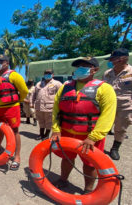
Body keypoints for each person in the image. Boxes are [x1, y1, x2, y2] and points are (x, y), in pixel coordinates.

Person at [50, 57, 116, 194]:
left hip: (89, 136)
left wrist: (93, 137)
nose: (80, 68)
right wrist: (56, 130)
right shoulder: (65, 87)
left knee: (90, 163)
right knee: (67, 158)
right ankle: (63, 179)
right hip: (66, 133)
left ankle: (88, 189)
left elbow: (107, 116)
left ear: (95, 70)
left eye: (85, 66)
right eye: (78, 66)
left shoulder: (104, 89)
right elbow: (56, 110)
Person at [0, 54, 29, 170]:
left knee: (15, 130)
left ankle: (17, 157)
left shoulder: (14, 75)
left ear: (6, 62)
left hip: (11, 107)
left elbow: (24, 91)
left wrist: (18, 101)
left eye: (0, 61)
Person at [103, 48, 132, 160]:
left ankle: (115, 148)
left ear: (121, 59)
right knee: (102, 126)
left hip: (124, 106)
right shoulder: (107, 73)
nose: (110, 61)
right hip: (107, 105)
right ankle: (98, 147)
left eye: (112, 59)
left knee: (120, 128)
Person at [31, 69, 62, 140]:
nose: (47, 74)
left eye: (49, 73)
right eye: (46, 73)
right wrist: (32, 103)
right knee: (40, 121)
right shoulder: (39, 83)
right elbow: (33, 94)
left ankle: (46, 135)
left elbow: (61, 95)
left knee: (49, 122)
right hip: (39, 107)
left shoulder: (57, 83)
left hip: (50, 107)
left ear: (53, 74)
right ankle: (41, 134)